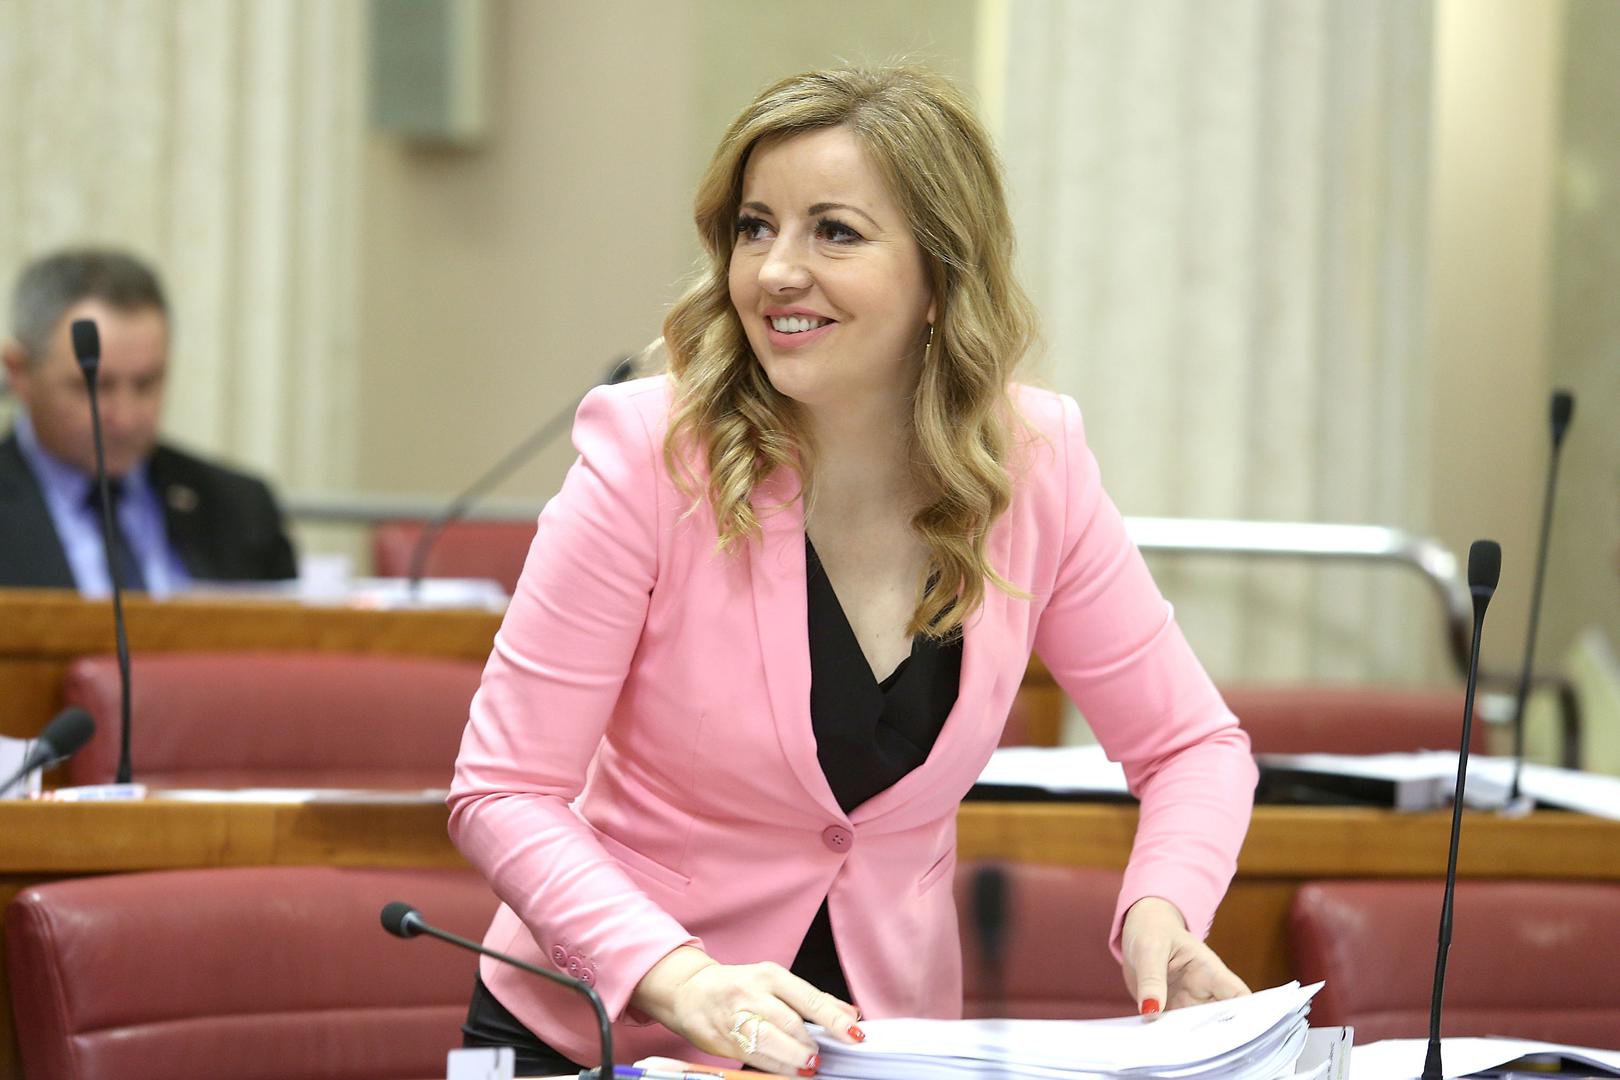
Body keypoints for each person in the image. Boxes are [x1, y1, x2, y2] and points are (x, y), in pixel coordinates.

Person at [449, 65, 1256, 1077]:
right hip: (610, 1036)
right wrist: (676, 975)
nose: (776, 271)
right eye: (756, 227)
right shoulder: (651, 455)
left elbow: (1193, 746)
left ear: (940, 280)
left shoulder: (1032, 465)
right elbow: (503, 790)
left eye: (834, 231)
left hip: (879, 1047)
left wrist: (1163, 909)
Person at [0, 248, 296, 593]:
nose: (125, 418)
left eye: (146, 384)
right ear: (19, 372)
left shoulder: (239, 508)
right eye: (96, 387)